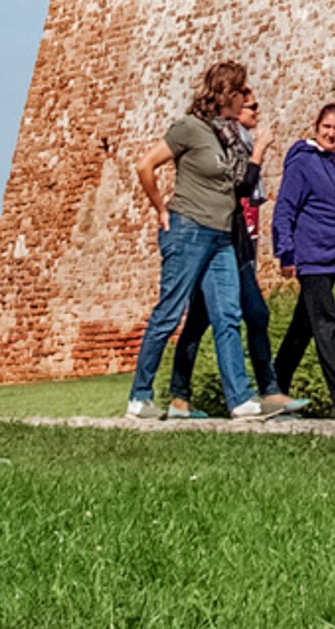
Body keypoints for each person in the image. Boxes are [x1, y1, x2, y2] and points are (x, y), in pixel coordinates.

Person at [124, 60, 291, 420]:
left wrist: (259, 152)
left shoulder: (228, 135)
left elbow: (243, 185)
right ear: (226, 95)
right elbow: (145, 166)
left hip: (221, 237)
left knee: (228, 315)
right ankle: (140, 397)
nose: (246, 97)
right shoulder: (189, 128)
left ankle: (240, 400)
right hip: (187, 230)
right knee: (168, 315)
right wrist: (160, 209)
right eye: (240, 92)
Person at [269, 102, 335, 421]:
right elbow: (285, 209)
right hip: (312, 256)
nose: (332, 133)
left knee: (301, 330)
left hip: (332, 256)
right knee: (327, 323)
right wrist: (285, 253)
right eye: (327, 127)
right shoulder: (303, 163)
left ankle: (273, 391)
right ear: (315, 128)